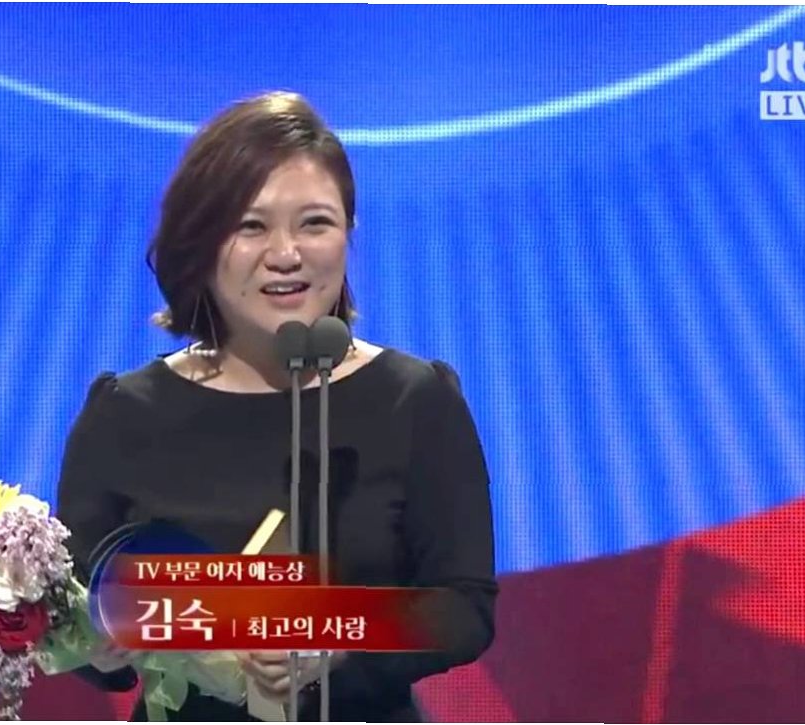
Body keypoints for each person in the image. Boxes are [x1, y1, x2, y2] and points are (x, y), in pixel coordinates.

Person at [55, 90, 497, 722]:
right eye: (251, 226)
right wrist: (95, 646)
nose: (286, 254)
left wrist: (337, 639)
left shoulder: (413, 400)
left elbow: (463, 607)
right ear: (200, 243)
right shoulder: (125, 414)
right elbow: (81, 619)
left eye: (314, 223)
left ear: (348, 234)